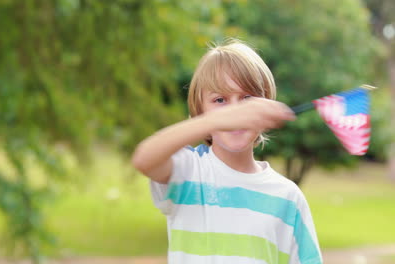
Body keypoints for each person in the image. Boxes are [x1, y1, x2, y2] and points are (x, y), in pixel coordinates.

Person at [131, 39, 322, 264]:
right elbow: (144, 159)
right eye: (220, 100)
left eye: (247, 98)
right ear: (201, 111)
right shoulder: (189, 171)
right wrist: (215, 121)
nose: (235, 111)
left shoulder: (288, 197)